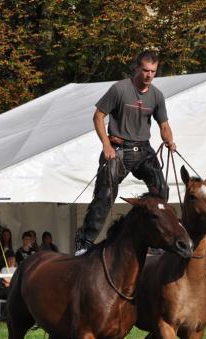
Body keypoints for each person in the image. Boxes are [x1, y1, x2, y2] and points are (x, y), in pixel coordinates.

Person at [74, 50, 176, 255]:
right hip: (120, 148)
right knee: (106, 193)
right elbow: (98, 116)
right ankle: (84, 242)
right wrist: (106, 145)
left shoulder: (157, 95)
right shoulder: (120, 89)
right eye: (145, 70)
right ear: (137, 68)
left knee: (161, 190)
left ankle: (152, 237)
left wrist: (169, 140)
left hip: (144, 149)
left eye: (153, 72)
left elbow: (163, 124)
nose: (149, 75)